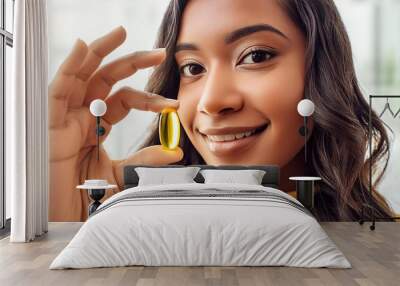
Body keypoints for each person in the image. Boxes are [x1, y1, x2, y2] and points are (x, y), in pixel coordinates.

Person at [49, 0, 394, 222]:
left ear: (322, 70)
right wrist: (72, 221)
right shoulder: (134, 216)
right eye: (193, 68)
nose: (211, 101)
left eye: (256, 55)